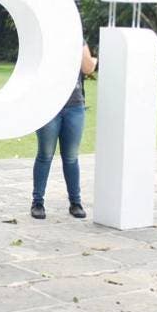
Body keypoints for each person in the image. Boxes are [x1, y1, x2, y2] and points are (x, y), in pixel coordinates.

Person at [31, 43, 96, 220]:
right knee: (45, 155)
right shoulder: (45, 40)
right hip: (48, 106)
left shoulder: (78, 41)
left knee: (71, 157)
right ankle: (37, 202)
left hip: (74, 105)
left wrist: (81, 46)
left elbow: (88, 68)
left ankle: (75, 202)